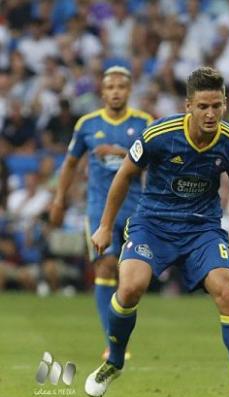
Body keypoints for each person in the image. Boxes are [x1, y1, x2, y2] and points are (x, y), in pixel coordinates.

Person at [84, 67, 229, 397]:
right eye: (203, 106)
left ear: (224, 105)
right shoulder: (159, 134)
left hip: (201, 228)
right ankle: (114, 361)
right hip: (153, 223)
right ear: (188, 104)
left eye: (217, 106)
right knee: (130, 287)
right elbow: (124, 176)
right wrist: (104, 225)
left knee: (228, 292)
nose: (210, 114)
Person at [50, 66, 152, 360]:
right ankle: (113, 341)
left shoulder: (144, 122)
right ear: (102, 91)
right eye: (110, 87)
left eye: (121, 86)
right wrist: (59, 199)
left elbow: (155, 163)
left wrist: (123, 153)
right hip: (98, 208)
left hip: (135, 207)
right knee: (105, 266)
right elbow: (70, 163)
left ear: (129, 90)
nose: (116, 91)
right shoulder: (87, 124)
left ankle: (120, 328)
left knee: (130, 275)